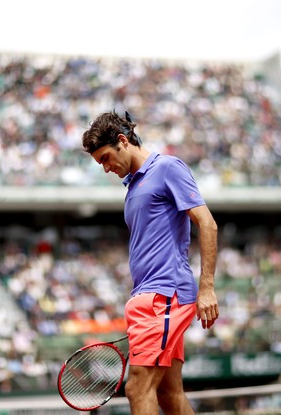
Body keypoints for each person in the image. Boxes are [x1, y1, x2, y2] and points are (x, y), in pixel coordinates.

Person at [82, 110, 219, 415]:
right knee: (170, 394)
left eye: (105, 158)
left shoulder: (168, 168)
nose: (105, 168)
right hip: (148, 299)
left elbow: (207, 224)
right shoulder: (132, 188)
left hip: (164, 297)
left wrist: (207, 287)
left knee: (137, 388)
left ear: (122, 141)